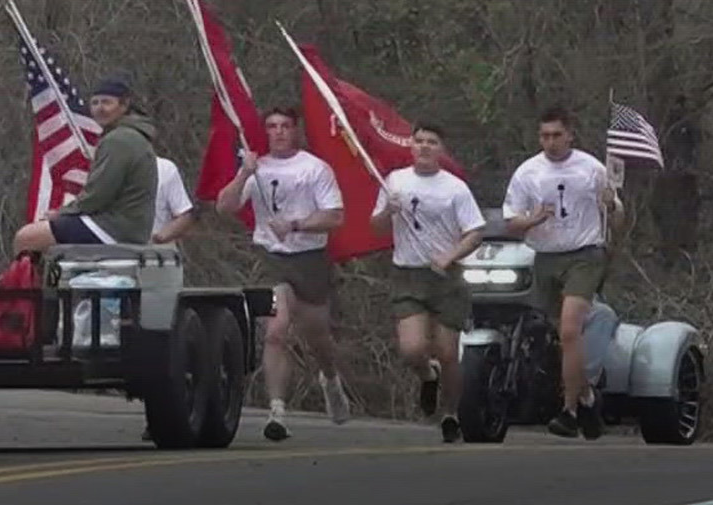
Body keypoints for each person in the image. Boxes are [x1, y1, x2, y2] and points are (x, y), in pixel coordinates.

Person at [215, 105, 349, 439]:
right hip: (270, 257)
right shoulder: (256, 167)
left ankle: (330, 379)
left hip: (308, 258)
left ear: (296, 129)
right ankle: (277, 411)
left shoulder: (315, 169)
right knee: (276, 331)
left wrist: (296, 224)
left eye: (285, 126)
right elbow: (224, 206)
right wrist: (244, 173)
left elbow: (335, 216)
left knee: (318, 337)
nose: (278, 132)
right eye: (272, 126)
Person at [501, 106, 626, 439]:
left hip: (584, 254)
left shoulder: (591, 169)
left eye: (557, 135)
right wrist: (533, 219)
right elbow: (512, 223)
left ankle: (568, 412)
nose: (551, 142)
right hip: (546, 257)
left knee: (571, 329)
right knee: (563, 337)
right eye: (545, 135)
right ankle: (586, 397)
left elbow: (617, 221)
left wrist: (611, 205)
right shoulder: (528, 172)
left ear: (570, 134)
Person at [369, 121, 485, 442]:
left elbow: (475, 232)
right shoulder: (396, 182)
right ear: (411, 146)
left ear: (441, 149)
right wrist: (386, 211)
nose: (423, 147)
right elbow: (377, 227)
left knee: (448, 353)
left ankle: (450, 413)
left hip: (446, 278)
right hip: (408, 274)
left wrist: (450, 256)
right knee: (412, 349)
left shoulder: (455, 188)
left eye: (431, 142)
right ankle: (426, 374)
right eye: (418, 141)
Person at [13, 76, 158, 251]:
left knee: (26, 237)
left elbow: (98, 194)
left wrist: (61, 213)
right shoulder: (131, 135)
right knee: (43, 239)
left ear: (124, 105)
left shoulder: (120, 139)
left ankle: (24, 279)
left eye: (107, 102)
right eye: (95, 103)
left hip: (116, 227)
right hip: (128, 227)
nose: (100, 109)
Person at [150, 155, 197, 244]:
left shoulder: (164, 168)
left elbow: (185, 215)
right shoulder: (115, 166)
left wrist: (159, 238)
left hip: (154, 253)